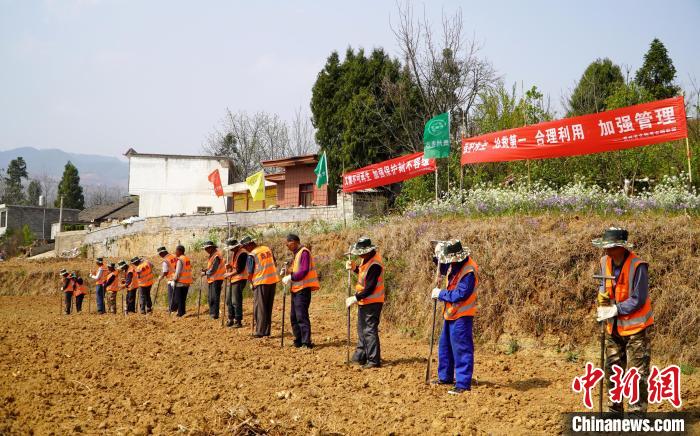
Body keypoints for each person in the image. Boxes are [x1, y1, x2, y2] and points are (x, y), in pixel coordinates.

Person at [593, 227, 654, 415]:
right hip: (613, 328)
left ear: (622, 247)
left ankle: (636, 414)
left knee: (637, 374)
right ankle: (614, 411)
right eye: (606, 248)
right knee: (612, 371)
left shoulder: (638, 266)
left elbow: (638, 298)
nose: (607, 251)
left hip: (636, 329)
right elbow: (605, 286)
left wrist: (615, 309)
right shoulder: (605, 262)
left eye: (611, 247)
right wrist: (602, 299)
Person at [430, 240, 478, 395]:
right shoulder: (455, 264)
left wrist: (441, 293)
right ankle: (445, 377)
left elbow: (461, 294)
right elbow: (443, 268)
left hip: (462, 315)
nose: (449, 261)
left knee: (461, 349)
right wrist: (436, 257)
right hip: (450, 313)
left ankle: (463, 383)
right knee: (445, 347)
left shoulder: (469, 271)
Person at [345, 236, 385, 369]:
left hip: (372, 302)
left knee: (369, 330)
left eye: (362, 252)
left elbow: (370, 287)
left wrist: (355, 298)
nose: (360, 254)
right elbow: (363, 275)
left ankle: (373, 360)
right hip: (365, 301)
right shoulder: (366, 260)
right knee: (362, 330)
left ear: (369, 250)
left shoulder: (375, 264)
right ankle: (360, 356)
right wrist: (354, 268)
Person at [281, 234, 319, 348]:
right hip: (296, 289)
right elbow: (295, 270)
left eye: (288, 243)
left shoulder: (304, 252)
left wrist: (290, 277)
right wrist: (287, 271)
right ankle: (298, 340)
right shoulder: (297, 254)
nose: (287, 246)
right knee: (294, 316)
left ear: (294, 242)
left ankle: (306, 342)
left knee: (301, 316)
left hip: (303, 289)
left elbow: (303, 271)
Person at [242, 235, 279, 337]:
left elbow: (249, 273)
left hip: (260, 282)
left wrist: (251, 283)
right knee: (268, 307)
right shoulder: (267, 249)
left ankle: (260, 331)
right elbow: (274, 263)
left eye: (245, 247)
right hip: (272, 281)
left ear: (249, 245)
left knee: (260, 307)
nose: (245, 249)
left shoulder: (252, 255)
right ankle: (267, 331)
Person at [223, 238, 248, 328]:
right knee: (228, 300)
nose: (230, 250)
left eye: (231, 248)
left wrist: (229, 273)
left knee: (235, 301)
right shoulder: (236, 253)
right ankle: (231, 318)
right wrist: (230, 266)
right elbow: (236, 266)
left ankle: (238, 320)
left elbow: (239, 269)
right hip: (233, 279)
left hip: (240, 279)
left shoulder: (243, 253)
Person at [201, 241, 226, 320]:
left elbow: (214, 269)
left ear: (211, 247)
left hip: (217, 279)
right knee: (211, 297)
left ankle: (215, 314)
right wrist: (206, 269)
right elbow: (211, 268)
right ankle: (212, 313)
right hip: (212, 279)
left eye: (207, 248)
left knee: (215, 297)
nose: (206, 250)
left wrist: (205, 273)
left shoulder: (216, 255)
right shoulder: (212, 255)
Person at [171, 245, 193, 317]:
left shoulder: (180, 260)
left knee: (179, 298)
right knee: (183, 299)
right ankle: (183, 312)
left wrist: (174, 280)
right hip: (187, 282)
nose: (175, 252)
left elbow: (178, 272)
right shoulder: (187, 259)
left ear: (180, 251)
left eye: (176, 251)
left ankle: (180, 313)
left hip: (180, 282)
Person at [157, 246, 179, 313]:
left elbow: (165, 272)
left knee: (171, 295)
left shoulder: (165, 260)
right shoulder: (174, 256)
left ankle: (172, 309)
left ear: (162, 253)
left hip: (171, 278)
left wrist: (161, 277)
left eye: (160, 254)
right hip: (179, 277)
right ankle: (177, 308)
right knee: (176, 294)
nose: (160, 256)